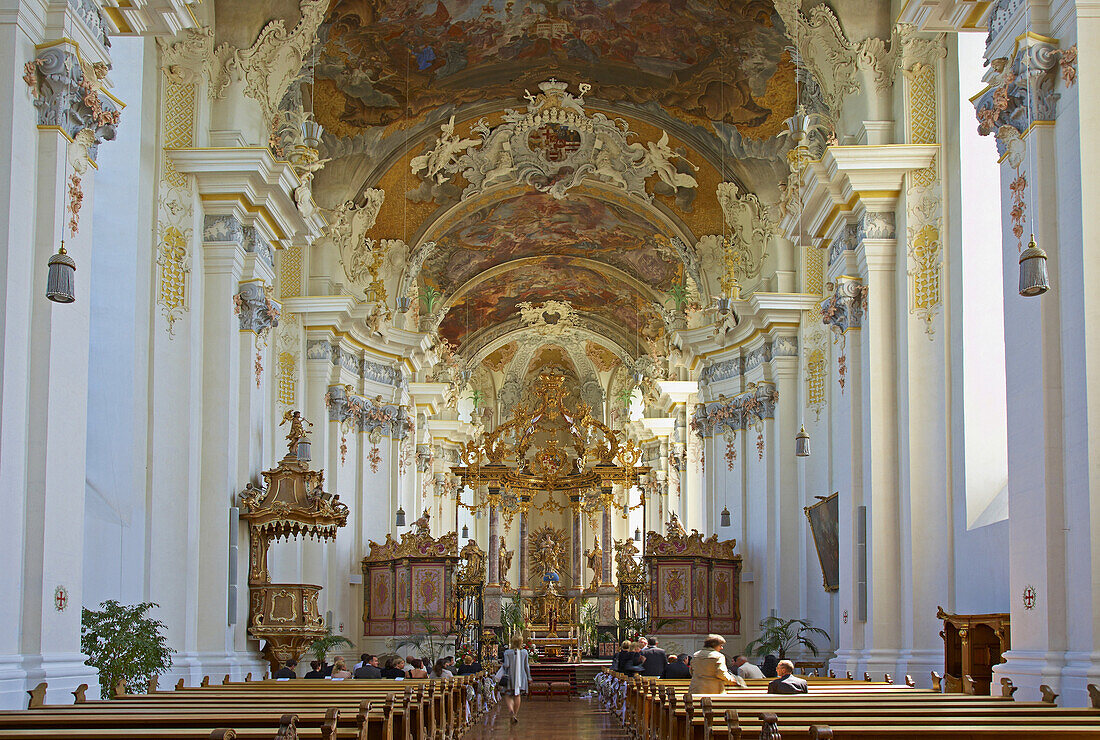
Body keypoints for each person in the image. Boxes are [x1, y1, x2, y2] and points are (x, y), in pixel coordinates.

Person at [500, 633, 532, 724]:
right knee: (517, 695)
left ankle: (511, 711)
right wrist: (529, 677)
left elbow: (506, 665)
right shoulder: (524, 652)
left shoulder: (507, 652)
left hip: (510, 676)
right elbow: (526, 666)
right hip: (520, 677)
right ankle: (515, 714)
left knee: (508, 694)